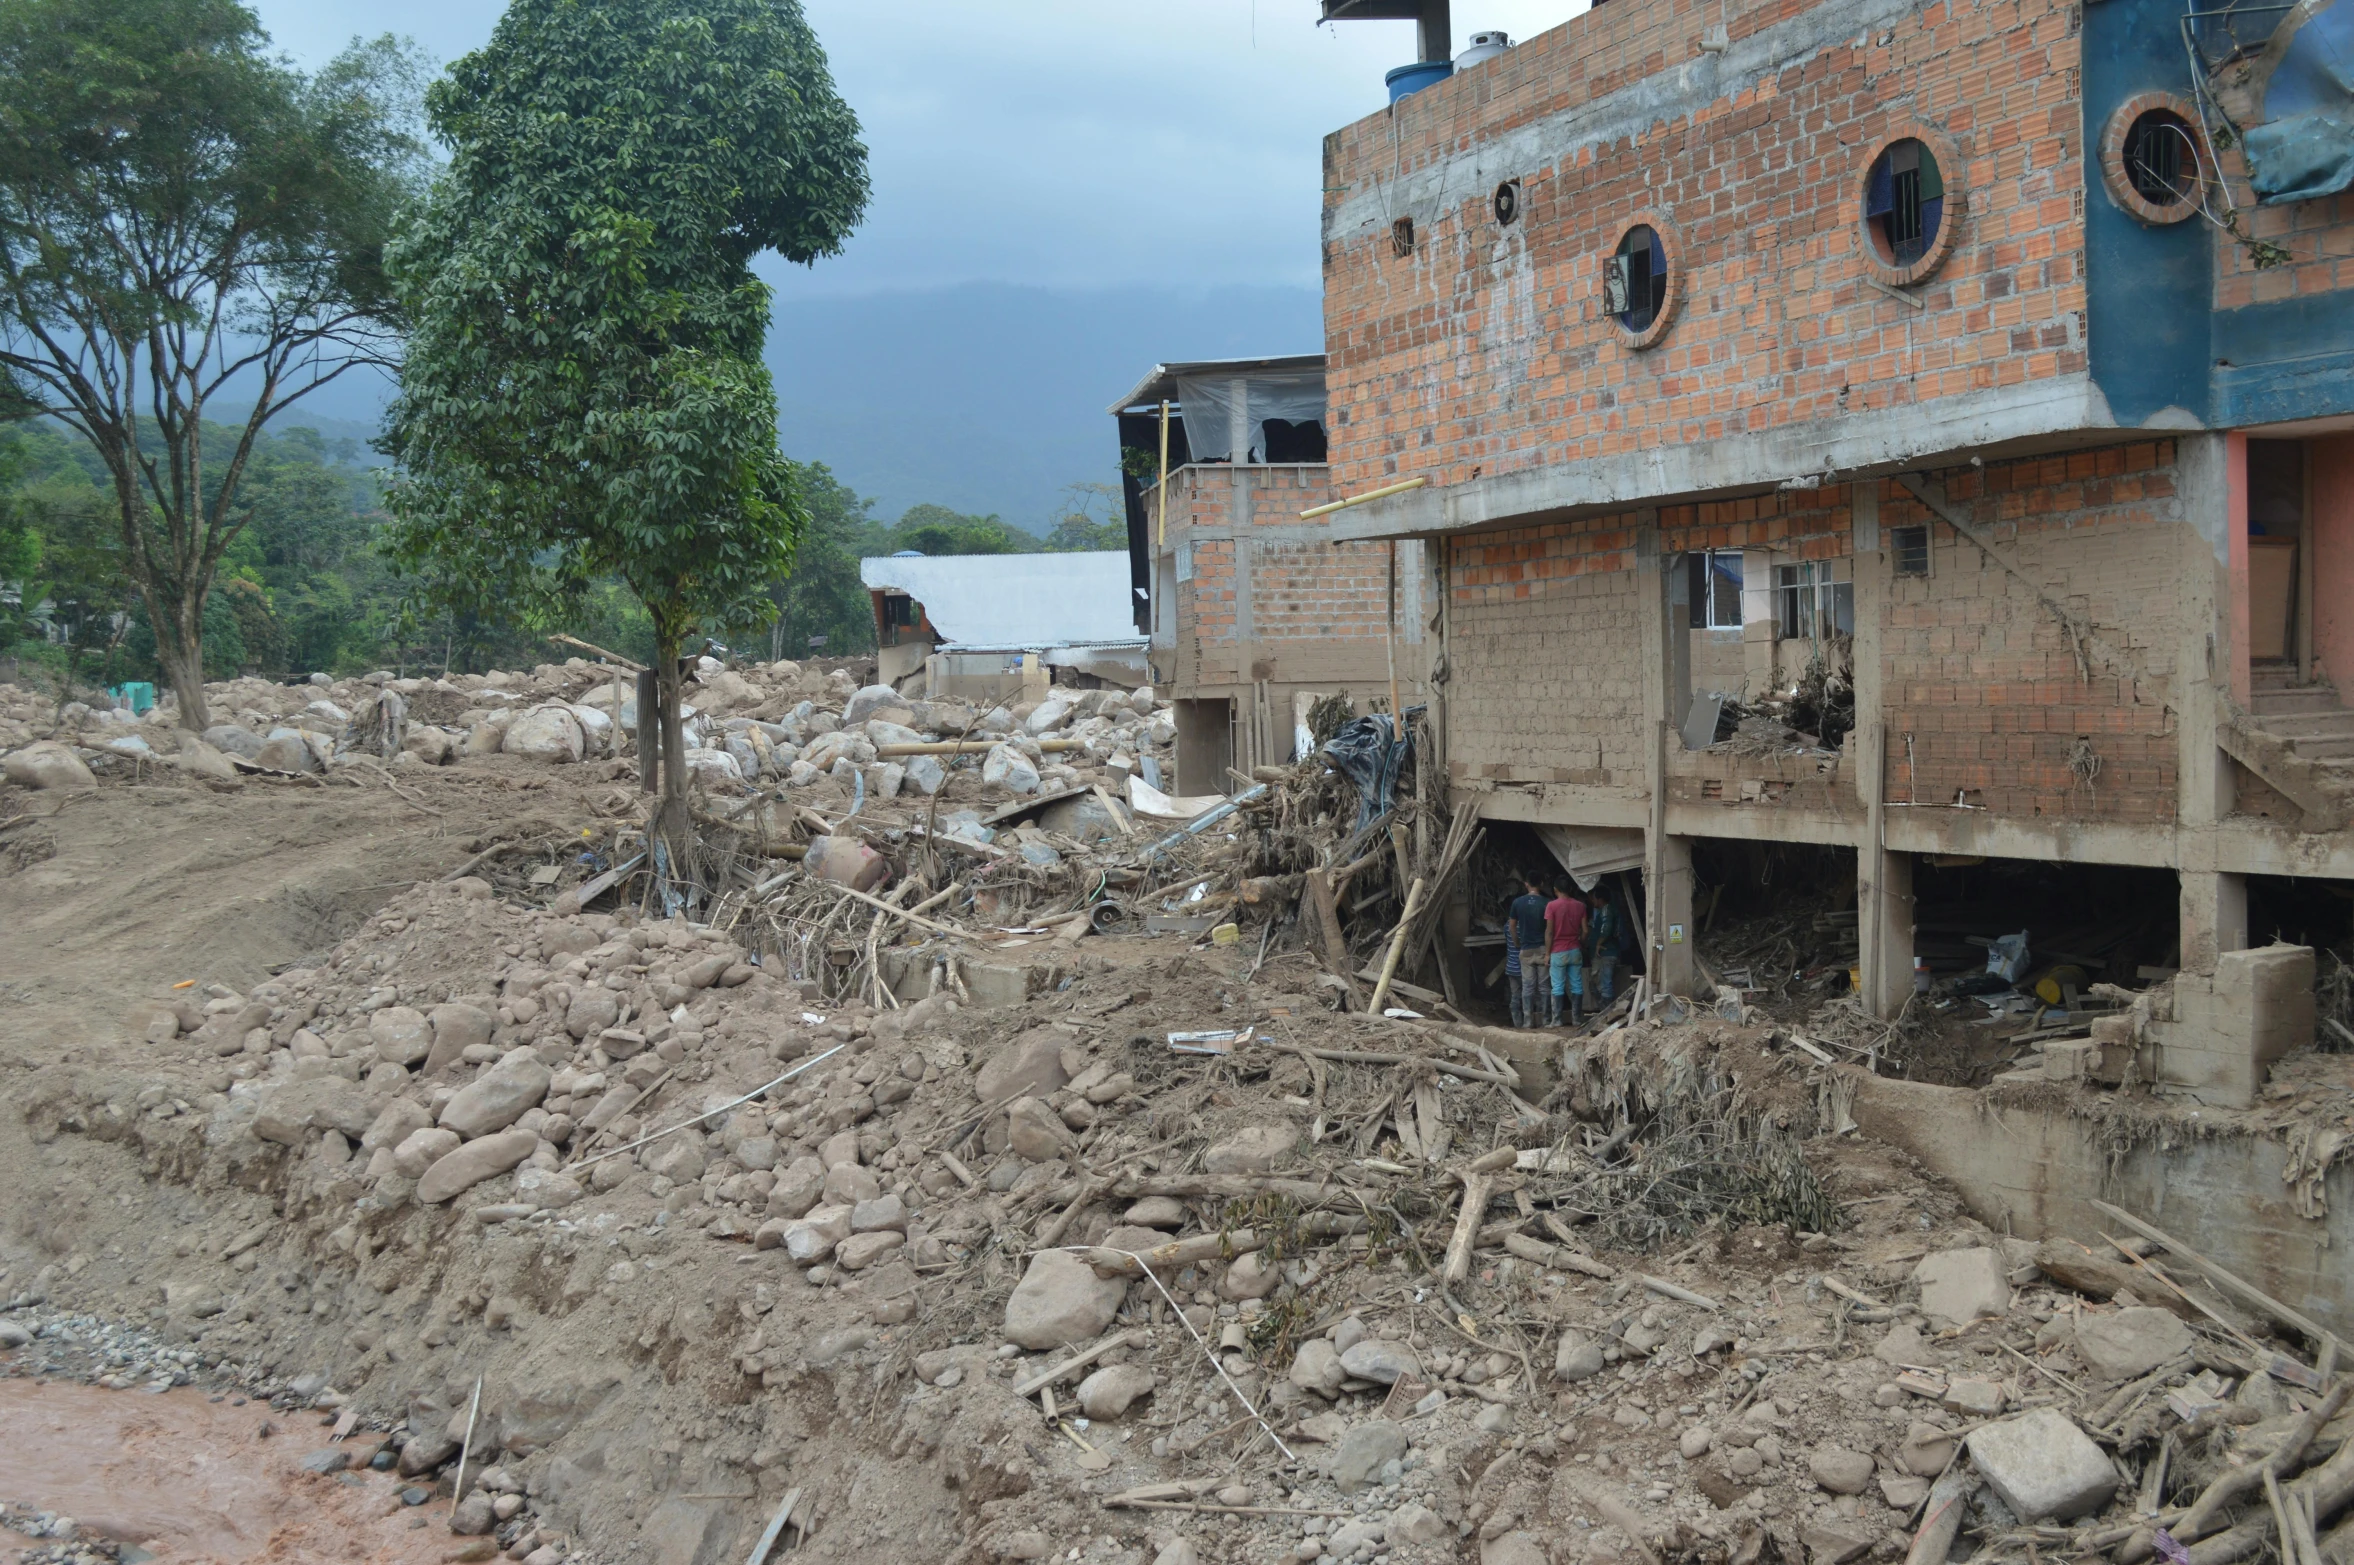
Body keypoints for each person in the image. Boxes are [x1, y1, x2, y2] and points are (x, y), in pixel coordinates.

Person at [1507, 876, 1550, 1029]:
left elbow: (1512, 926)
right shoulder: (1547, 903)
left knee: (1527, 986)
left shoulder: (1517, 903)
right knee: (1544, 986)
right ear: (1542, 883)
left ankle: (1527, 1022)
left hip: (1526, 950)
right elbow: (1550, 929)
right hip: (1542, 949)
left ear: (1526, 884)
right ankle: (1545, 1020)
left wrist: (1517, 942)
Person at [1545, 881, 1588, 1026]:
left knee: (1557, 986)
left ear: (1555, 888)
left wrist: (1547, 953)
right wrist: (1580, 943)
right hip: (1575, 949)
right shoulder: (1580, 906)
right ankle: (1576, 1019)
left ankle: (1557, 1020)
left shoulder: (1552, 906)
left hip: (1558, 951)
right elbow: (1585, 931)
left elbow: (1549, 932)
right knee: (1576, 984)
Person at [1589, 892, 1623, 1005]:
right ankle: (1605, 1010)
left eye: (1594, 898)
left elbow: (1606, 928)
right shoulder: (1604, 911)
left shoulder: (1606, 910)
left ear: (1600, 899)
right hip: (1605, 953)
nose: (1592, 901)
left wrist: (1599, 943)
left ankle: (1608, 1012)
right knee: (1598, 982)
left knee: (1605, 983)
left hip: (1607, 952)